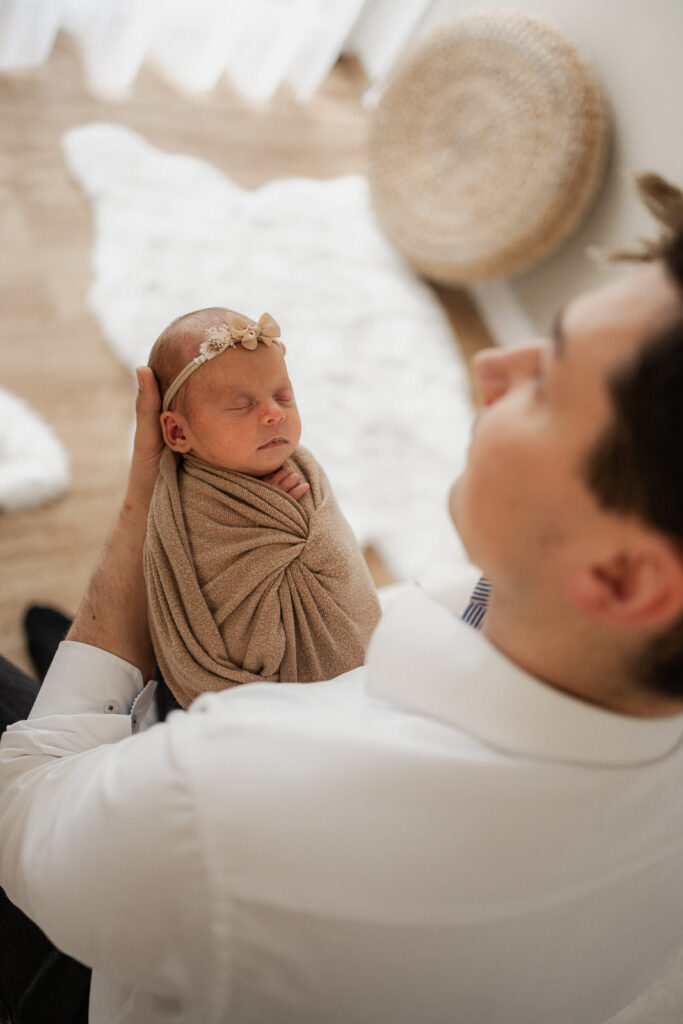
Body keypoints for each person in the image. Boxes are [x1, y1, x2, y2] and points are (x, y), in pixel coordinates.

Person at [1, 224, 683, 1024]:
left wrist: (133, 539)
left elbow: (23, 805)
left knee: (57, 712)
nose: (492, 363)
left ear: (623, 576)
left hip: (85, 953)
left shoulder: (230, 795)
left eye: (551, 382)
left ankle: (110, 675)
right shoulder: (524, 625)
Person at [144, 306, 380, 707]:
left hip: (368, 676)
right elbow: (232, 630)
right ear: (178, 431)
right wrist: (277, 523)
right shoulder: (194, 512)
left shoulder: (302, 467)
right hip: (273, 703)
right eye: (242, 405)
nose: (274, 413)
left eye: (283, 396)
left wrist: (292, 519)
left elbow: (343, 567)